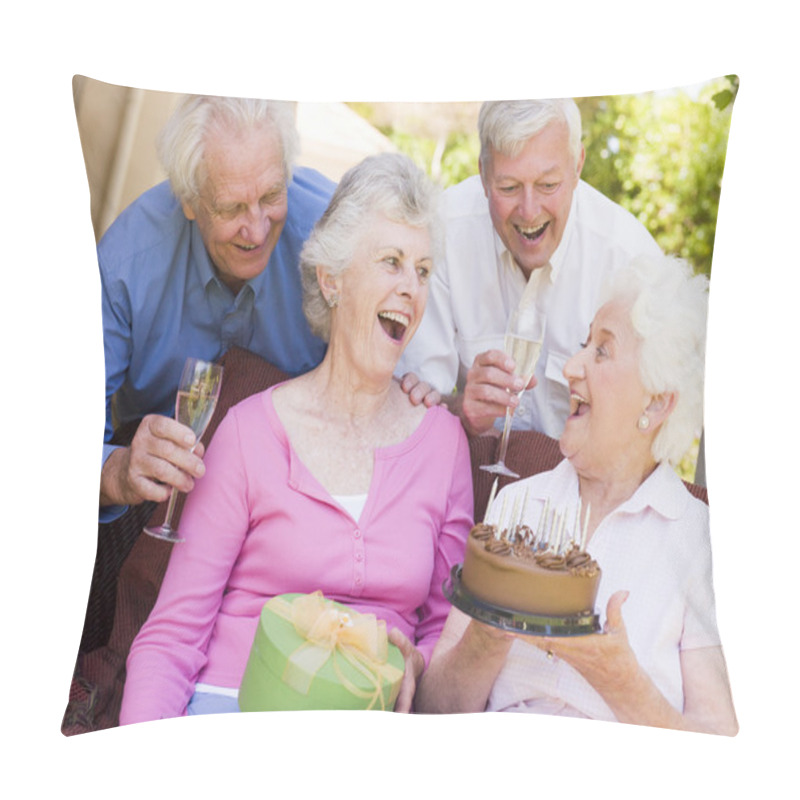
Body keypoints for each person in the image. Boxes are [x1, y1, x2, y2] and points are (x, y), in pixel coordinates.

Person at [118, 153, 473, 722]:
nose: (411, 287)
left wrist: (420, 662)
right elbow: (171, 638)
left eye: (424, 270)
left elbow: (442, 626)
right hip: (235, 710)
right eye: (392, 262)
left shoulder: (443, 445)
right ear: (332, 280)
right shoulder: (249, 433)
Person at [415, 253, 738, 735]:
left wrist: (622, 682)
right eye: (585, 343)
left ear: (657, 401)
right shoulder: (516, 505)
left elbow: (721, 746)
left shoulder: (697, 541)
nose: (570, 367)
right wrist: (488, 634)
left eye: (602, 351)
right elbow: (431, 709)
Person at [98, 95, 335, 522]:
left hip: (297, 491)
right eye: (231, 208)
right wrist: (118, 473)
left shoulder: (336, 238)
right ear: (189, 200)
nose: (258, 228)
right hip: (160, 489)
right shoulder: (125, 264)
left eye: (271, 194)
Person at [397, 98, 663, 440]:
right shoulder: (443, 233)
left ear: (578, 165)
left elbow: (650, 426)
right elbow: (414, 402)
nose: (528, 211)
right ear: (482, 174)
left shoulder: (630, 259)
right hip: (471, 473)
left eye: (548, 185)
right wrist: (463, 410)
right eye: (508, 188)